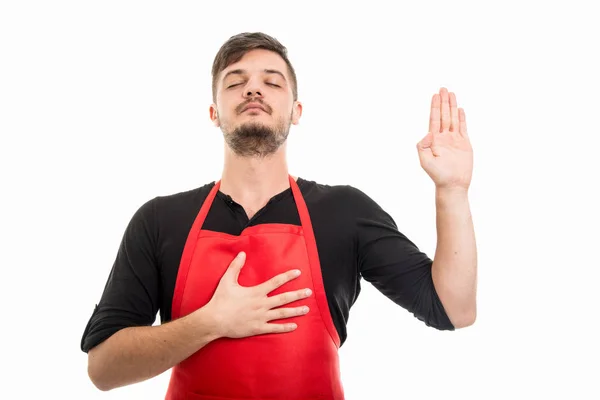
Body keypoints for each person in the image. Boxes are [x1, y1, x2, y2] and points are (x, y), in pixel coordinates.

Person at [81, 32, 477, 399]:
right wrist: (211, 322)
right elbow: (103, 368)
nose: (253, 88)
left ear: (297, 111)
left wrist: (452, 191)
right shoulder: (159, 220)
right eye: (235, 82)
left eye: (272, 82)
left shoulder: (344, 212)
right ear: (214, 113)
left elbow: (453, 310)